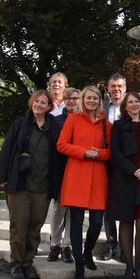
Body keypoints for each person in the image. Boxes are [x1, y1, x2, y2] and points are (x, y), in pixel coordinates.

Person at [0, 90, 56, 279]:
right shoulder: (20, 123)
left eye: (43, 102)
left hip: (43, 186)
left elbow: (59, 156)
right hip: (20, 185)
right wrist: (1, 176)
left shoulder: (53, 126)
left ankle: (28, 263)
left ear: (49, 107)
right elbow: (6, 149)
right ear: (32, 103)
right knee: (19, 226)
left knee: (35, 228)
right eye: (36, 101)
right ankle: (16, 262)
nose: (39, 104)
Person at [57, 85, 112, 279]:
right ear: (83, 99)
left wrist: (99, 154)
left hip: (98, 176)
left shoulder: (107, 125)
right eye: (88, 98)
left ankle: (88, 252)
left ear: (99, 101)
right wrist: (83, 152)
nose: (92, 101)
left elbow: (111, 152)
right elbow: (61, 145)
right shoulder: (73, 119)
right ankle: (79, 261)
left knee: (97, 223)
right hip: (76, 174)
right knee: (77, 222)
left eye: (95, 98)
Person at [109, 92, 140, 279]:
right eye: (130, 102)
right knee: (126, 221)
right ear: (125, 106)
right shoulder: (119, 126)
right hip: (125, 179)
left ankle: (139, 267)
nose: (134, 104)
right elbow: (116, 152)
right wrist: (133, 170)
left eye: (136, 101)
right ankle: (128, 268)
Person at [48, 87, 80, 264]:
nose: (71, 101)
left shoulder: (84, 120)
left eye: (75, 98)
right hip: (61, 170)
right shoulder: (56, 120)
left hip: (79, 171)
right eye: (68, 98)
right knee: (58, 210)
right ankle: (55, 244)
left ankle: (67, 246)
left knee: (73, 212)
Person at [101, 73, 127, 261]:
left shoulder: (132, 108)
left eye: (119, 86)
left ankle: (126, 248)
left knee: (126, 205)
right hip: (106, 162)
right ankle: (111, 243)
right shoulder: (103, 109)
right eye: (113, 86)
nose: (116, 89)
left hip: (126, 164)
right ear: (108, 89)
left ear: (125, 88)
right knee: (107, 206)